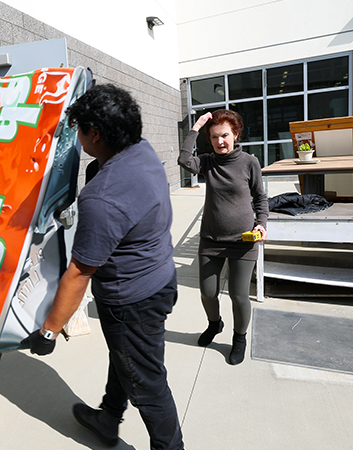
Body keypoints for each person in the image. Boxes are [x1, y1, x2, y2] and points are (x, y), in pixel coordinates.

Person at [21, 85, 184, 450]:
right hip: (160, 278)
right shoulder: (142, 151)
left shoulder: (103, 196)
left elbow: (79, 274)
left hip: (131, 301)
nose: (76, 138)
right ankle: (108, 418)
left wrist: (49, 331)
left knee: (148, 384)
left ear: (96, 134)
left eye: (78, 130)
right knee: (124, 355)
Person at [178, 110, 268, 365]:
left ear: (236, 134)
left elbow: (260, 198)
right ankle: (215, 324)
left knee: (239, 296)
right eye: (215, 137)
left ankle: (239, 338)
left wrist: (261, 223)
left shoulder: (250, 162)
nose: (220, 142)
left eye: (225, 135)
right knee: (208, 292)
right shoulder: (207, 161)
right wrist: (195, 127)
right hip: (211, 239)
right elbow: (184, 160)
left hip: (243, 241)